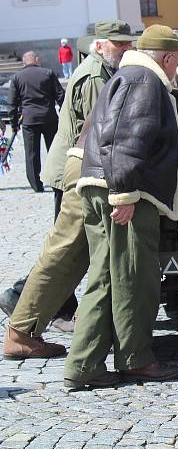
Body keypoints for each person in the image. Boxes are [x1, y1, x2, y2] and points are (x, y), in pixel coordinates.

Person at [63, 25, 178, 389]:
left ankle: (83, 365)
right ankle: (135, 359)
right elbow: (126, 139)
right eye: (177, 62)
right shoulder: (145, 82)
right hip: (126, 193)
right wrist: (124, 195)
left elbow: (146, 138)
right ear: (168, 57)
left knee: (107, 277)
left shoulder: (133, 76)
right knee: (134, 280)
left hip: (104, 185)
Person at [0, 21, 135, 341]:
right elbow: (101, 130)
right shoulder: (94, 75)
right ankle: (23, 302)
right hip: (75, 172)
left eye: (128, 44)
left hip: (79, 169)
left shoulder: (102, 69)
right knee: (67, 247)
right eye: (118, 44)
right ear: (100, 45)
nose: (125, 49)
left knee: (72, 246)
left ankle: (37, 309)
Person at [8, 51, 64, 192]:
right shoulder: (48, 73)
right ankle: (56, 181)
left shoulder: (17, 78)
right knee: (54, 150)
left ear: (23, 62)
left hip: (29, 119)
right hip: (49, 117)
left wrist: (14, 125)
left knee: (31, 153)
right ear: (36, 60)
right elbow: (61, 96)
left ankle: (36, 184)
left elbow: (12, 104)